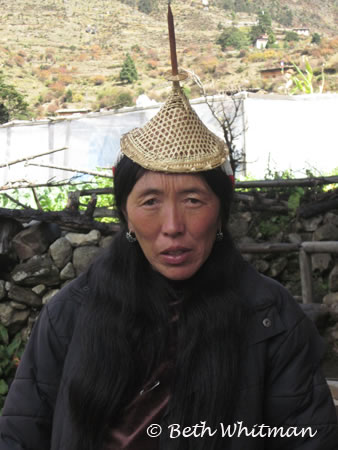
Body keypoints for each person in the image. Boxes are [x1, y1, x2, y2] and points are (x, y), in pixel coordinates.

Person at [1, 6, 338, 450]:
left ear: (220, 211)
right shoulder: (71, 315)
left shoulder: (269, 319)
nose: (173, 227)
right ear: (125, 215)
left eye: (194, 200)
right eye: (150, 202)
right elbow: (21, 434)